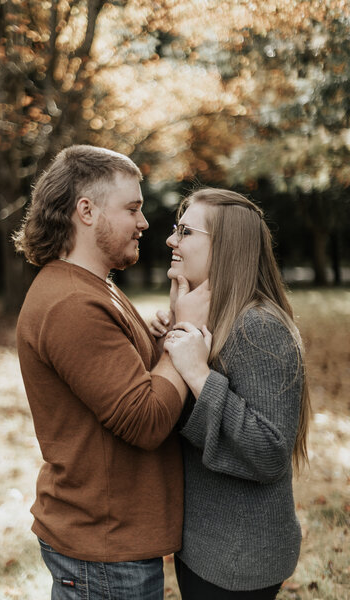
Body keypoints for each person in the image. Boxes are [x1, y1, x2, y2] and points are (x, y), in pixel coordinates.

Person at [12, 144, 207, 600]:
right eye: (132, 208)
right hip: (103, 554)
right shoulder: (72, 304)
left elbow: (129, 381)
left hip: (109, 544)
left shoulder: (92, 287)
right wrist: (185, 332)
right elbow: (145, 419)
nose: (144, 223)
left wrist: (159, 342)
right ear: (86, 210)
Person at [151, 188, 311, 600]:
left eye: (185, 231)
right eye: (175, 229)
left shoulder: (258, 326)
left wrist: (197, 372)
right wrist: (171, 339)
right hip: (204, 544)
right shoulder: (213, 318)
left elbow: (271, 452)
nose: (171, 240)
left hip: (240, 557)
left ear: (225, 246)